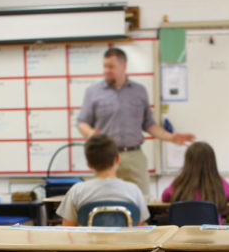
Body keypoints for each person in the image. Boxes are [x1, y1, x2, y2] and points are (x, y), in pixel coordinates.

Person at [77, 47, 195, 197]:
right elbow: (82, 122)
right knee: (105, 198)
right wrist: (90, 133)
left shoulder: (139, 91)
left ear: (123, 66)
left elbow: (149, 124)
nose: (106, 70)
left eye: (111, 66)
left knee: (141, 200)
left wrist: (171, 137)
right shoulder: (93, 92)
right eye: (105, 66)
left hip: (134, 156)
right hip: (105, 157)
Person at [57, 134, 149, 227]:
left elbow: (68, 229)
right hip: (125, 241)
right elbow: (139, 228)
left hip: (88, 241)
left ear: (89, 164)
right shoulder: (134, 191)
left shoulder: (77, 191)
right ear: (117, 158)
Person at [160, 141, 229, 213]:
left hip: (183, 227)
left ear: (187, 162)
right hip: (212, 227)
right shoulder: (219, 182)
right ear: (212, 162)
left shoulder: (179, 182)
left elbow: (165, 197)